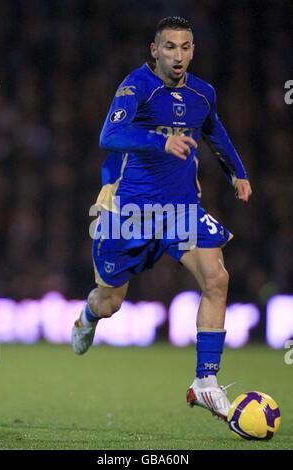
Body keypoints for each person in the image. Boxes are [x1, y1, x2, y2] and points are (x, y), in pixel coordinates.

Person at [72, 16, 252, 421]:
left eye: (186, 47)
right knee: (111, 302)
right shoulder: (135, 87)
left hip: (180, 209)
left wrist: (236, 171)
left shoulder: (203, 94)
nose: (178, 56)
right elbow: (109, 136)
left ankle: (205, 381)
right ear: (154, 50)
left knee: (217, 277)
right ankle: (87, 314)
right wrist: (159, 139)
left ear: (193, 51)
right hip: (129, 211)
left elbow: (214, 131)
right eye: (169, 47)